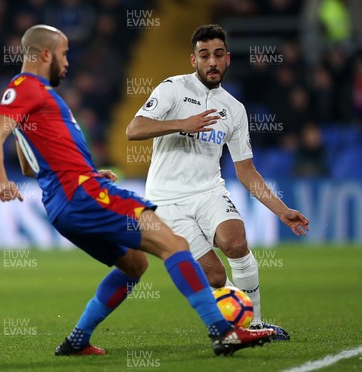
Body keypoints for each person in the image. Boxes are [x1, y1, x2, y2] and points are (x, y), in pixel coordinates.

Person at [0, 24, 275, 357]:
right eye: (64, 54)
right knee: (174, 243)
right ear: (45, 54)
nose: (67, 62)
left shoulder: (40, 102)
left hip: (64, 206)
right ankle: (224, 332)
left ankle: (77, 340)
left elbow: (28, 165)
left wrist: (88, 171)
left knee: (134, 264)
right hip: (84, 195)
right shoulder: (26, 86)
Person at [126, 24, 310, 340]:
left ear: (228, 60)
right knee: (215, 274)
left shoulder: (234, 110)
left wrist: (280, 210)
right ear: (193, 60)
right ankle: (229, 325)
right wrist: (183, 124)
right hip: (168, 200)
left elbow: (246, 171)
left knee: (236, 242)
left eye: (218, 55)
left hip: (209, 191)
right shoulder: (172, 88)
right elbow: (134, 129)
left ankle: (254, 325)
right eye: (204, 55)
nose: (212, 61)